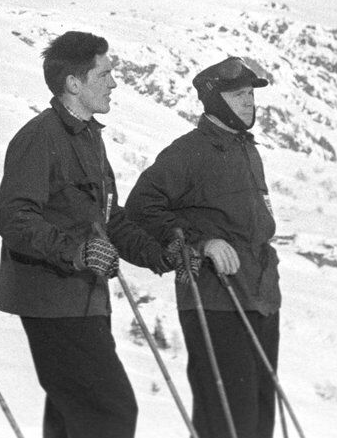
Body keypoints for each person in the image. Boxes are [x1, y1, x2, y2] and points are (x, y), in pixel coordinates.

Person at [0, 30, 169, 438]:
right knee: (109, 411)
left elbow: (109, 220)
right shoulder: (40, 137)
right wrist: (76, 252)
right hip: (53, 301)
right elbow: (14, 217)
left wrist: (161, 255)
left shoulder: (89, 137)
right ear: (74, 83)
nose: (114, 83)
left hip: (83, 300)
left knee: (72, 419)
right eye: (104, 74)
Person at [124, 56, 280, 438]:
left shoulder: (246, 149)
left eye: (251, 94)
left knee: (259, 420)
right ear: (214, 100)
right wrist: (201, 243)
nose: (249, 102)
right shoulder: (189, 152)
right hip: (216, 299)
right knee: (227, 421)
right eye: (239, 94)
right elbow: (140, 209)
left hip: (260, 298)